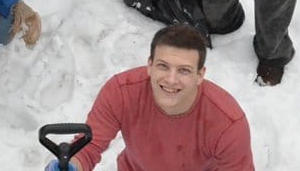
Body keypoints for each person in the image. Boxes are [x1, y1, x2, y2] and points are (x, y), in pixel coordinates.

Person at [61, 24, 253, 171]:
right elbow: (90, 145)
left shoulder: (227, 123)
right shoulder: (120, 92)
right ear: (150, 65)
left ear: (200, 75)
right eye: (163, 66)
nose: (171, 79)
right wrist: (72, 166)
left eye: (184, 70)